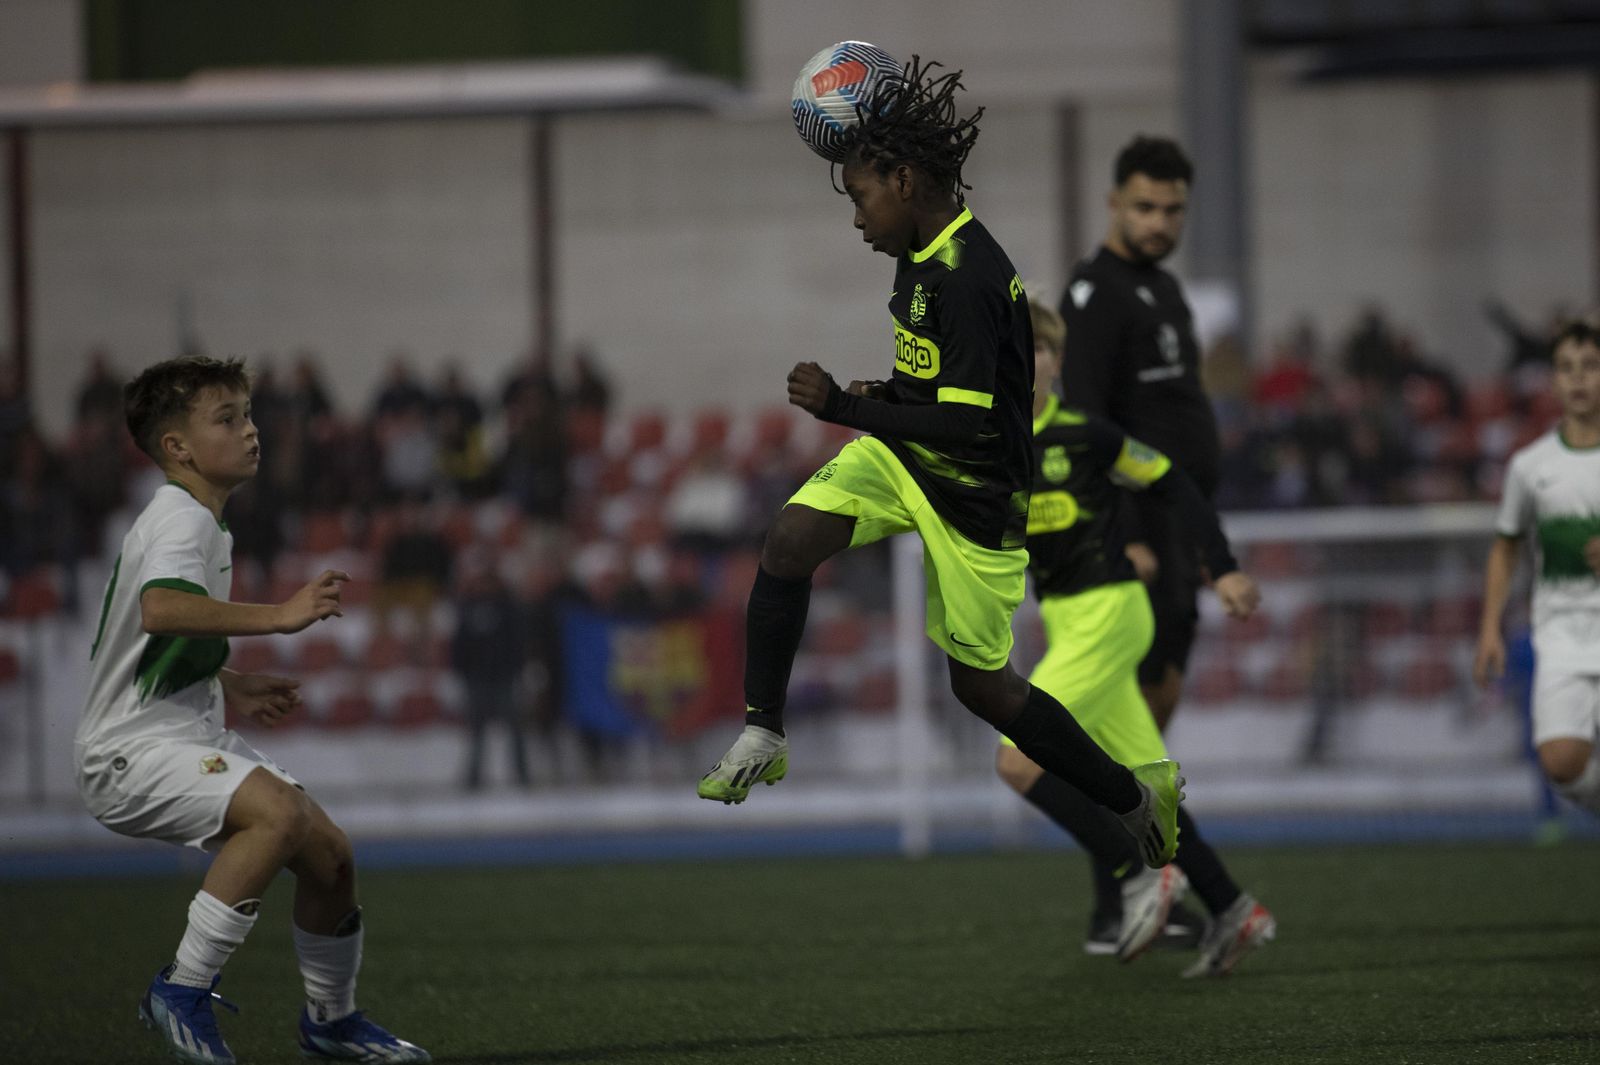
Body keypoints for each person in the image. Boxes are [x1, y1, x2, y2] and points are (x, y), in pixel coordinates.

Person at [695, 56, 1184, 870]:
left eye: (860, 197)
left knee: (983, 690)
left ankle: (1135, 794)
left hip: (976, 496)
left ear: (906, 180)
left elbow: (965, 425)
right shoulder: (921, 252)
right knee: (788, 538)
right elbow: (943, 383)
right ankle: (764, 730)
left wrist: (843, 406)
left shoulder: (965, 274)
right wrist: (886, 390)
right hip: (905, 459)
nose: (856, 219)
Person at [74, 356, 429, 1064]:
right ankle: (181, 988)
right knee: (280, 814)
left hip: (176, 726)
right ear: (177, 447)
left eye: (247, 413)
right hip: (130, 749)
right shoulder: (181, 515)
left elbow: (149, 638)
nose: (251, 430)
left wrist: (229, 681)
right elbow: (161, 609)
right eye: (227, 418)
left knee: (329, 858)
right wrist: (282, 614)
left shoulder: (199, 520)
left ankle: (331, 1021)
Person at [998, 299, 1275, 975]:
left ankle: (1136, 872)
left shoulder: (1086, 435)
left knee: (1018, 758)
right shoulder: (992, 449)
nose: (1028, 359)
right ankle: (1235, 910)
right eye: (1015, 346)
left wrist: (1224, 565)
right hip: (1069, 619)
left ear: (1057, 360)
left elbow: (1171, 480)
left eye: (1039, 347)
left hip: (1109, 613)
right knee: (1153, 793)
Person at [1057, 135, 1217, 735]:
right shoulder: (1095, 294)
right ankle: (1118, 810)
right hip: (1136, 521)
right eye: (1145, 208)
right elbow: (1087, 423)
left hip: (1175, 518)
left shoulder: (1165, 288)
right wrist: (1123, 534)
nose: (1159, 223)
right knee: (1146, 679)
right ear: (1114, 203)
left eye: (1173, 210)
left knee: (1168, 671)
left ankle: (1129, 809)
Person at [1474, 321, 1600, 820]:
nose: (1578, 379)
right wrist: (1489, 628)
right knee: (1562, 763)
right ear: (1553, 381)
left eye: (1590, 366)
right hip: (1563, 628)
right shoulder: (1530, 465)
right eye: (1566, 368)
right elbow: (1505, 547)